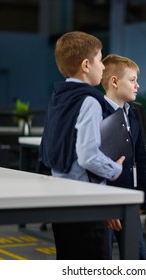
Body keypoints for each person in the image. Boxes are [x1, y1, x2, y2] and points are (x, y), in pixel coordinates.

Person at [39, 31, 125, 260]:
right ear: (86, 65)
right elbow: (88, 156)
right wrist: (115, 168)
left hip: (59, 196)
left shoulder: (59, 96)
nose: (104, 67)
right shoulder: (89, 101)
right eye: (100, 60)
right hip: (86, 200)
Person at [100, 54, 146, 260]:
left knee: (137, 256)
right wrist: (106, 207)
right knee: (102, 258)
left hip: (129, 199)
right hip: (105, 202)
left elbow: (140, 158)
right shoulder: (97, 112)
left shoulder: (133, 113)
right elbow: (96, 166)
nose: (137, 85)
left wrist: (141, 200)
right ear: (114, 81)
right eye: (132, 80)